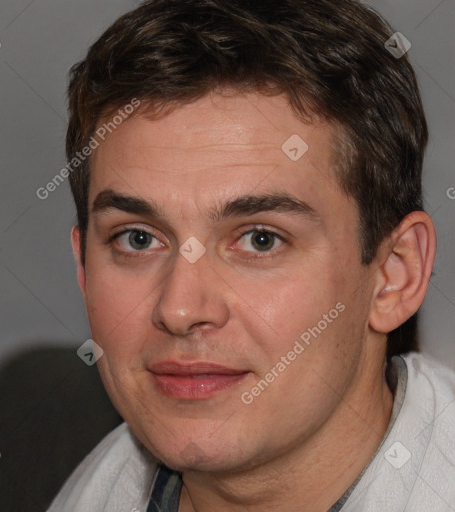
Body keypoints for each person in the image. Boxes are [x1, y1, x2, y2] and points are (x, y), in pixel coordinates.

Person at [47, 0, 455, 510]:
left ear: (395, 274)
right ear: (83, 267)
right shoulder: (91, 491)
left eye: (261, 239)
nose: (179, 309)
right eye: (138, 239)